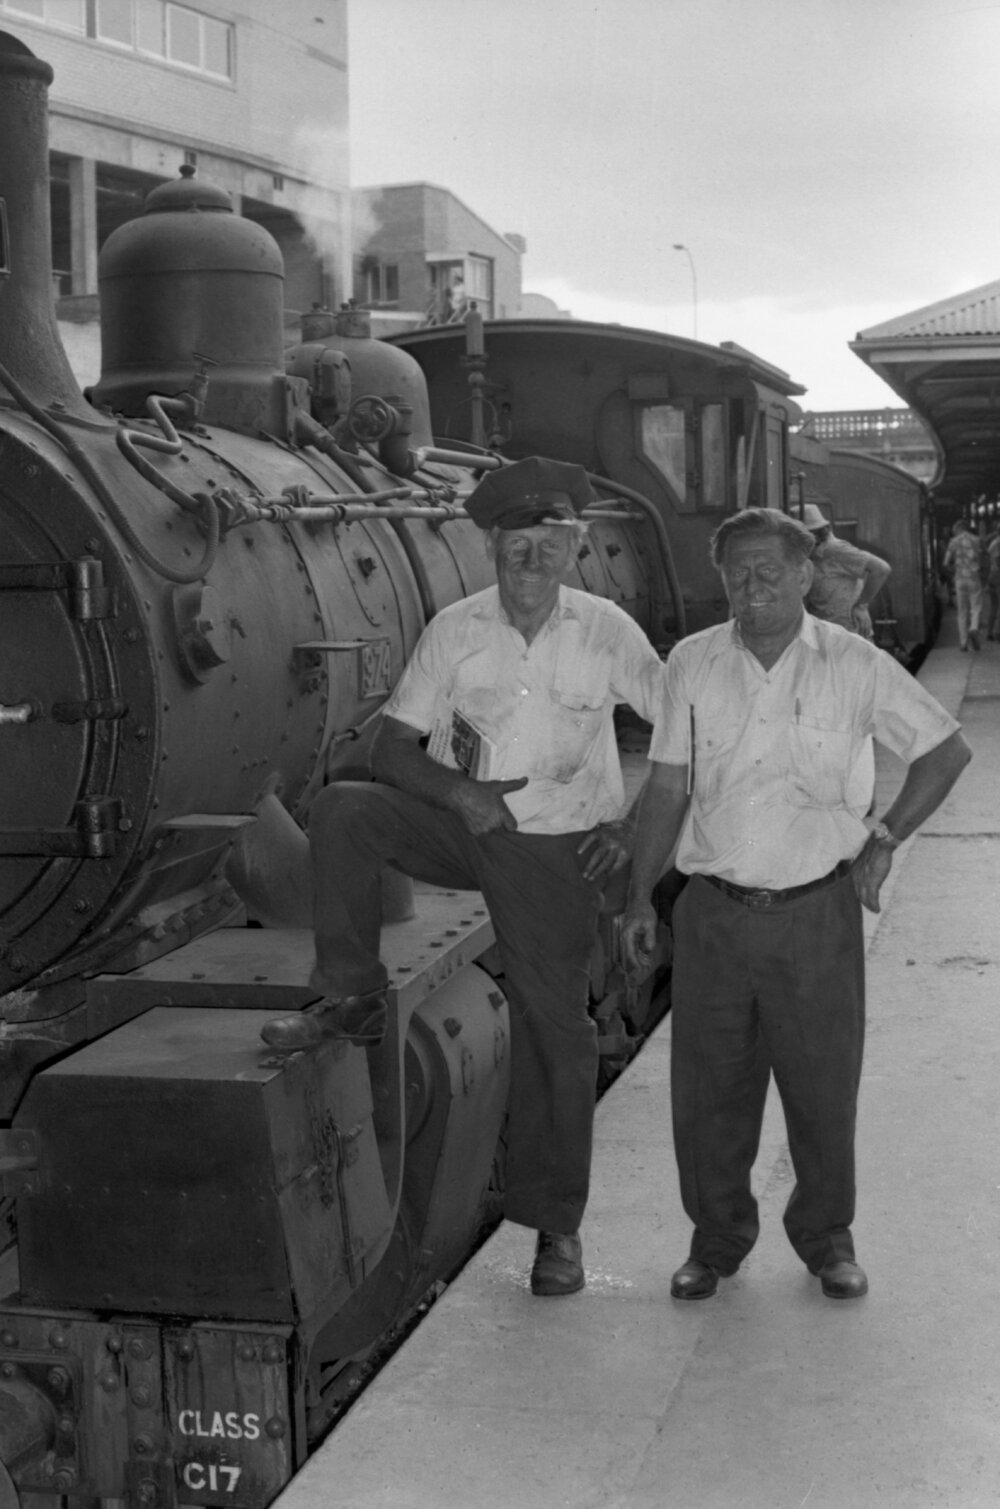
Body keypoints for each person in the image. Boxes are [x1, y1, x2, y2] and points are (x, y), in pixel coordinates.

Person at [261, 457, 666, 1298]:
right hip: (465, 824)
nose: (532, 556)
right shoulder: (456, 628)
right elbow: (392, 749)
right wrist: (460, 795)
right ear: (491, 545)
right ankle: (353, 994)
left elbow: (679, 738)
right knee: (344, 810)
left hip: (553, 846)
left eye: (550, 540)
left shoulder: (607, 631)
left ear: (574, 546)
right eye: (517, 540)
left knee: (555, 1029)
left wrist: (628, 831)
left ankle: (557, 1227)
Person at [621, 508, 971, 1303]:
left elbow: (946, 749)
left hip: (817, 915)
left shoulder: (853, 663)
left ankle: (826, 1239)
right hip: (714, 912)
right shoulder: (692, 663)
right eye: (737, 573)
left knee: (822, 1089)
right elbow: (667, 787)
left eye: (768, 570)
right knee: (709, 1092)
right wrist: (638, 896)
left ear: (806, 574)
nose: (752, 587)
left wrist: (886, 837)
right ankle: (715, 1242)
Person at [801, 503, 891, 640]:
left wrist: (861, 606)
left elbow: (881, 569)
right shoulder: (812, 556)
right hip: (826, 633)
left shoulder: (835, 549)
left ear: (815, 535)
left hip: (849, 634)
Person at [942, 517, 984, 651]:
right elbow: (982, 560)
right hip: (974, 578)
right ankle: (974, 627)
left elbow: (945, 563)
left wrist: (954, 572)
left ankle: (963, 643)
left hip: (960, 579)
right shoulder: (976, 540)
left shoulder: (954, 541)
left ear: (958, 529)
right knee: (976, 607)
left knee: (962, 611)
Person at [985, 524, 1000, 640]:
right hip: (998, 576)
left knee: (994, 606)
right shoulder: (998, 543)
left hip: (992, 575)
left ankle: (990, 633)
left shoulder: (993, 543)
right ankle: (998, 633)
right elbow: (998, 561)